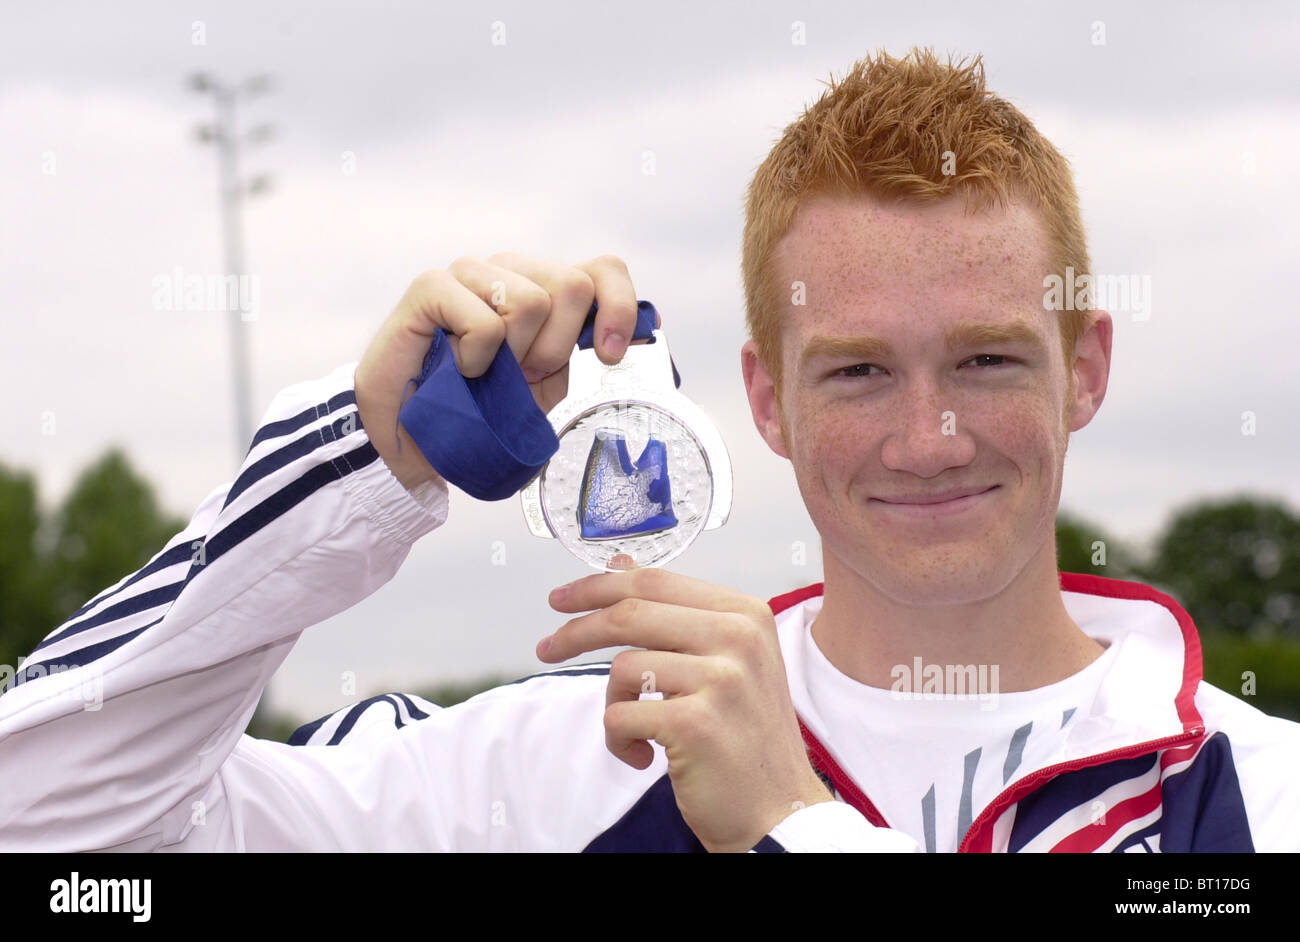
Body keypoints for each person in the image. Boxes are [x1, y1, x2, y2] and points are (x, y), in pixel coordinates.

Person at [1, 47, 1296, 853]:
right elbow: (54, 829)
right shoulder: (556, 768)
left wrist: (792, 827)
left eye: (989, 357)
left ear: (1088, 366)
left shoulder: (1261, 793)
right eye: (856, 368)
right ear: (766, 400)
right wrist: (360, 456)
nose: (927, 431)